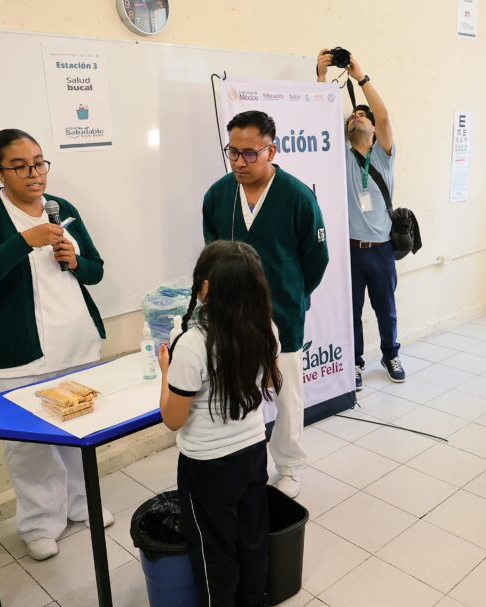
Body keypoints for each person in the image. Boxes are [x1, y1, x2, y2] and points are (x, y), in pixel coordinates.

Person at [0, 129, 111, 561]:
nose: (34, 173)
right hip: (20, 357)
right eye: (20, 166)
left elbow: (95, 271)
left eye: (39, 162)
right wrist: (23, 242)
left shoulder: (63, 209)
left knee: (80, 434)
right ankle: (40, 523)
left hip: (77, 345)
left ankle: (83, 505)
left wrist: (75, 260)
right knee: (29, 448)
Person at [202, 110, 329, 498]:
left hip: (283, 314)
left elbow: (316, 260)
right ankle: (243, 461)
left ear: (271, 150)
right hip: (231, 314)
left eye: (249, 153)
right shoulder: (218, 195)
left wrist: (293, 295)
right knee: (236, 390)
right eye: (232, 152)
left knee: (287, 392)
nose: (239, 162)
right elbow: (212, 253)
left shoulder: (296, 196)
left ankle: (289, 466)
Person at [158, 240, 282, 607]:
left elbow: (172, 419)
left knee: (215, 550)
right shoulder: (266, 328)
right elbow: (271, 383)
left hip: (207, 465)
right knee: (252, 537)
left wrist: (165, 373)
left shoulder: (193, 343)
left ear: (206, 288)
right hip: (252, 451)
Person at [317, 48, 403, 390]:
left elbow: (384, 118)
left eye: (363, 116)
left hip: (381, 249)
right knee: (351, 312)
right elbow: (322, 119)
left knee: (386, 309)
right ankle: (353, 362)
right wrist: (322, 77)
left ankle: (390, 353)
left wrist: (360, 77)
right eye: (353, 114)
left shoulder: (383, 156)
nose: (358, 116)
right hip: (350, 249)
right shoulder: (342, 155)